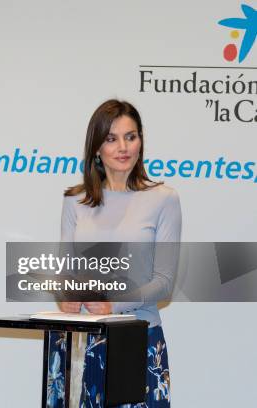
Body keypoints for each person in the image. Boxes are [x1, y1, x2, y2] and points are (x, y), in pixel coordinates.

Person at [58, 99, 181, 407]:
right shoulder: (76, 200)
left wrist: (113, 304)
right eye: (111, 139)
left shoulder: (163, 199)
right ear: (96, 147)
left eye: (131, 136)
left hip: (137, 339)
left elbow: (164, 282)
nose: (123, 147)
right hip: (81, 341)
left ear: (141, 141)